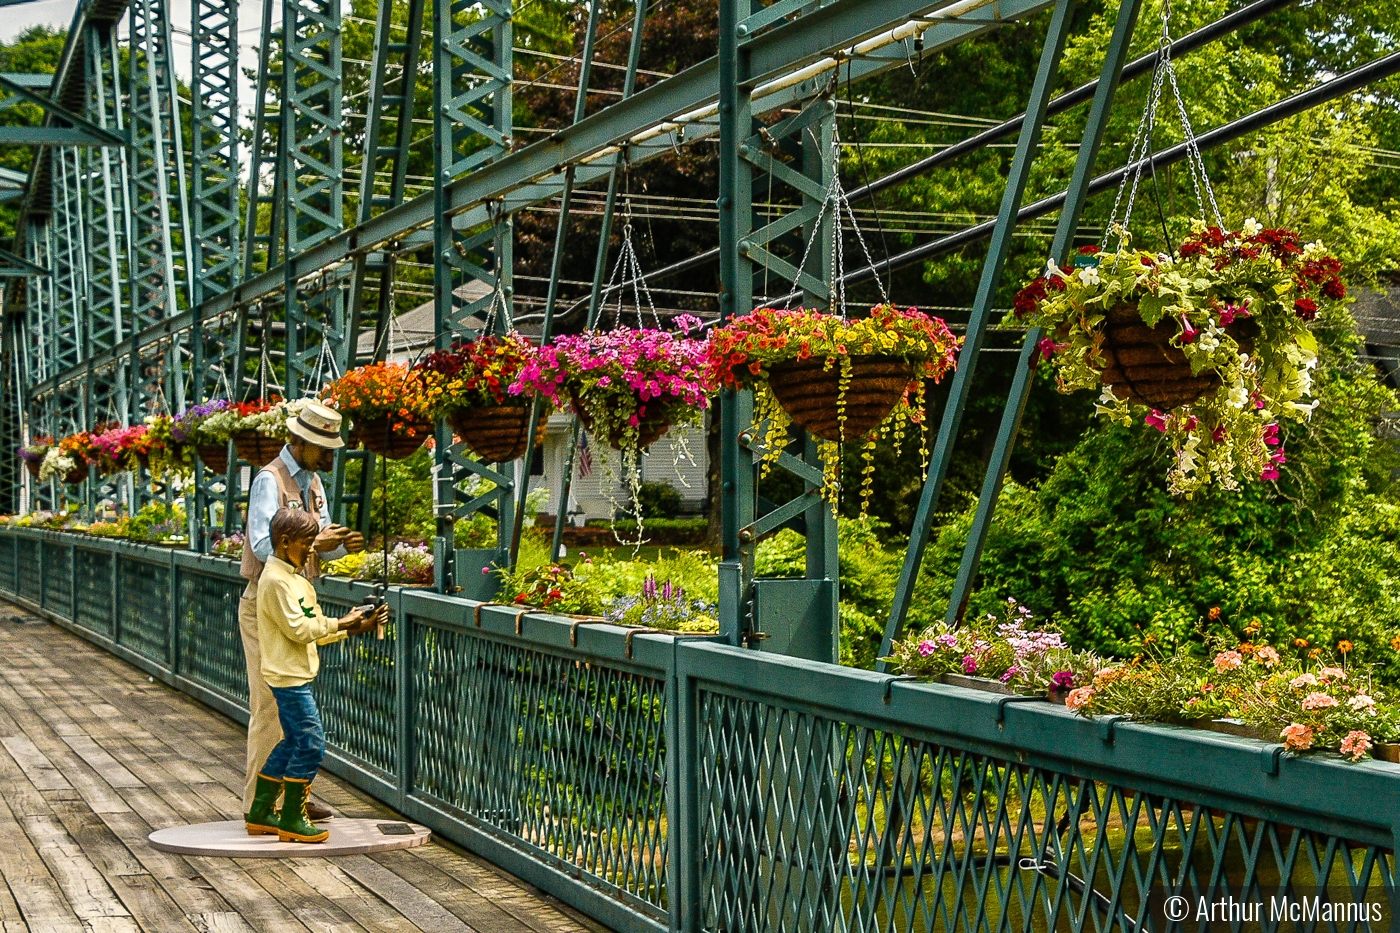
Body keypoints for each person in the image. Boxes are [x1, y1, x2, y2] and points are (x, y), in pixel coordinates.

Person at [238, 400, 365, 824]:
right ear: (301, 441)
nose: (331, 457)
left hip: (297, 596)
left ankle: (292, 794)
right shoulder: (268, 481)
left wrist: (343, 544)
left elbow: (315, 538)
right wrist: (315, 544)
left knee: (293, 710)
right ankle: (260, 804)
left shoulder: (312, 483)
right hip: (266, 601)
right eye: (325, 449)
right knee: (270, 707)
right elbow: (262, 546)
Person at [244, 508, 387, 842]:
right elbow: (299, 629)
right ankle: (292, 817)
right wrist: (343, 622)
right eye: (307, 542)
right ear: (284, 541)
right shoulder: (278, 581)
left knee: (292, 741)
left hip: (292, 673)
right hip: (288, 678)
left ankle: (262, 812)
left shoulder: (293, 579)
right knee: (311, 745)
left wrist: (354, 627)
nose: (312, 548)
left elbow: (314, 629)